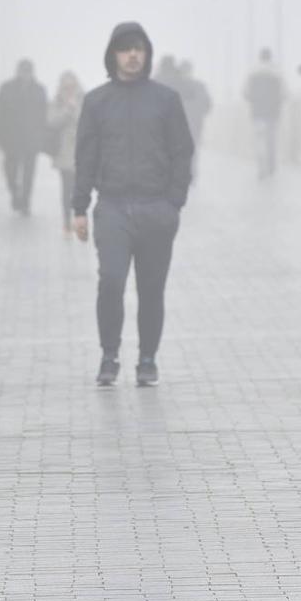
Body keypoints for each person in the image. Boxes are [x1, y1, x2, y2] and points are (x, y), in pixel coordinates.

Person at [73, 22, 194, 387]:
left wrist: (174, 203)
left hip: (156, 208)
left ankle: (147, 359)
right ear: (113, 55)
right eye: (125, 49)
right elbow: (85, 157)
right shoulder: (97, 102)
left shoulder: (166, 100)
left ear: (147, 54)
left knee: (151, 289)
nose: (132, 55)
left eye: (138, 48)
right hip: (112, 207)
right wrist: (79, 208)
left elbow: (182, 152)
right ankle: (109, 355)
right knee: (111, 280)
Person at [0, 58, 48, 215]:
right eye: (23, 71)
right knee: (10, 171)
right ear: (18, 72)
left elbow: (44, 116)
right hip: (11, 139)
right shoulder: (6, 88)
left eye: (28, 72)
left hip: (32, 139)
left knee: (29, 173)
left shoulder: (39, 90)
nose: (25, 75)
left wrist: (42, 139)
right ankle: (15, 192)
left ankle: (25, 203)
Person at [46, 71, 84, 235]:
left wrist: (75, 109)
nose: (69, 90)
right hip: (63, 151)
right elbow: (51, 121)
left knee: (79, 189)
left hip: (81, 150)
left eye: (71, 86)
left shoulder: (84, 98)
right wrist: (68, 110)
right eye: (66, 87)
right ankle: (66, 222)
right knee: (66, 188)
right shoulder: (56, 101)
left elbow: (89, 119)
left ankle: (79, 218)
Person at [244, 48, 284, 178]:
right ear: (270, 57)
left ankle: (261, 166)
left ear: (260, 57)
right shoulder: (277, 72)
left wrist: (255, 99)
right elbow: (285, 93)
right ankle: (271, 166)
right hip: (273, 112)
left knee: (259, 139)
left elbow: (245, 93)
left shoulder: (252, 72)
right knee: (271, 140)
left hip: (257, 112)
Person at [177, 59, 213, 178]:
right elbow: (208, 105)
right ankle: (192, 174)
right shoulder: (199, 86)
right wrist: (200, 113)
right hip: (196, 123)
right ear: (191, 71)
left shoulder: (174, 86)